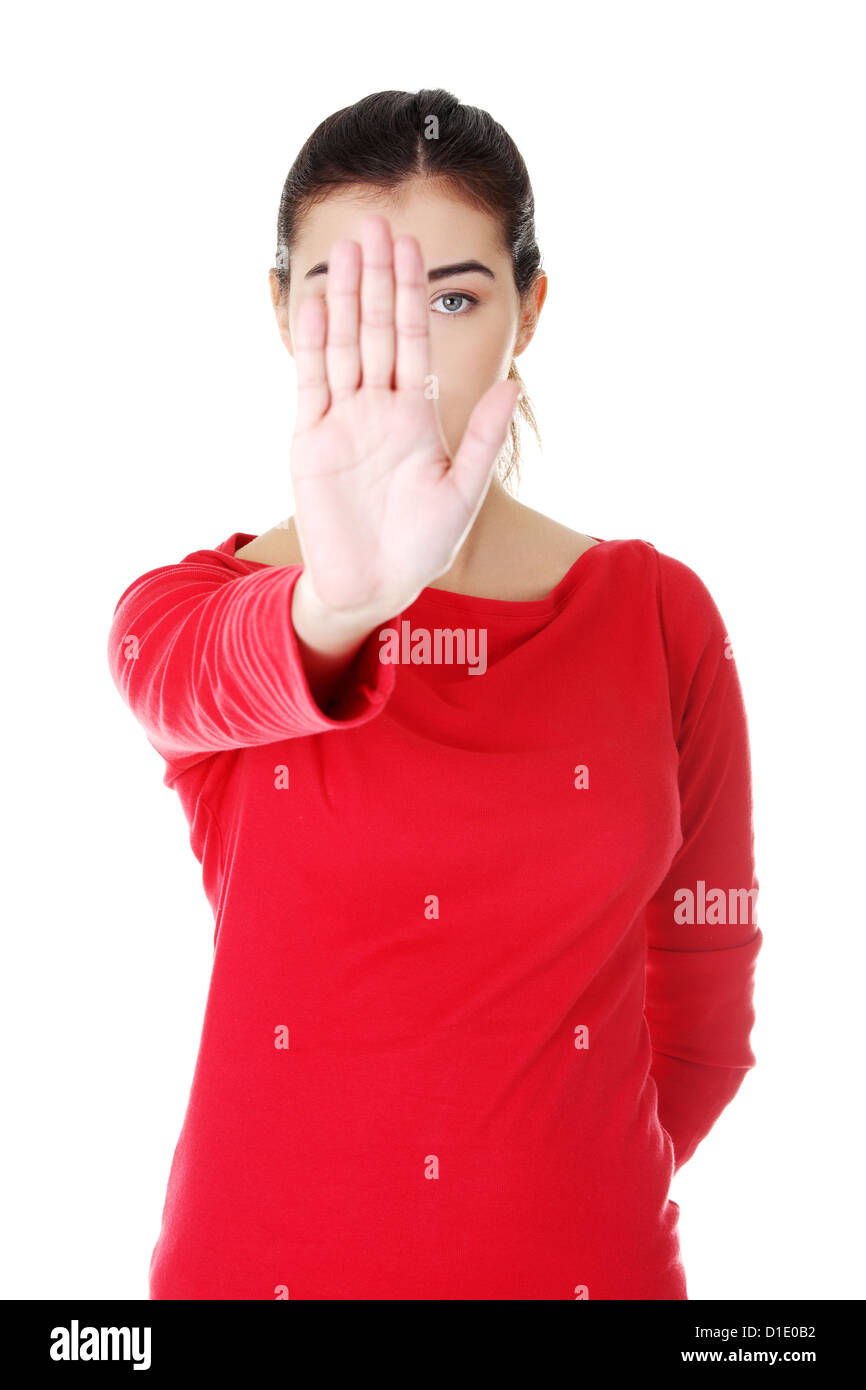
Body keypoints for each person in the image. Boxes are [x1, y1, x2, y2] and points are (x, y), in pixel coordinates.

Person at [107, 88, 762, 1300]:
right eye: (341, 293)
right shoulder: (195, 616)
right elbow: (177, 688)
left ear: (529, 311)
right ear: (279, 311)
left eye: (451, 299)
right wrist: (340, 601)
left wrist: (549, 1197)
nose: (394, 349)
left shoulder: (657, 615)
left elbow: (703, 1015)